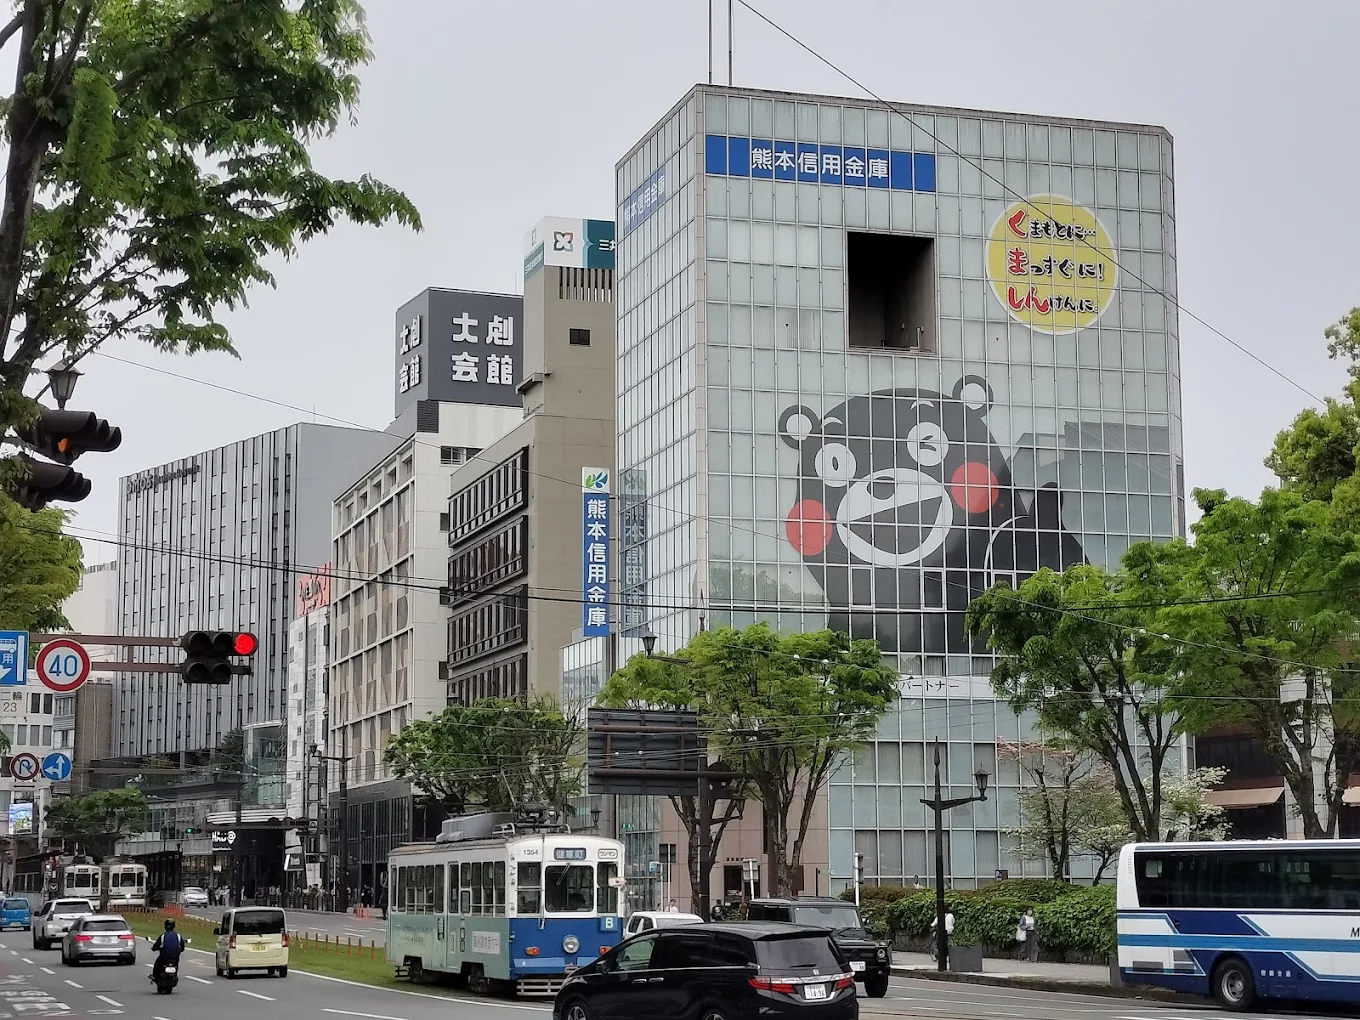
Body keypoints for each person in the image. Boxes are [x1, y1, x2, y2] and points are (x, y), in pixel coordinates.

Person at [150, 919, 184, 983]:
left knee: (157, 963)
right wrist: (180, 950)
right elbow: (182, 947)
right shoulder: (178, 936)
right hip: (175, 958)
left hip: (164, 958)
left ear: (165, 926)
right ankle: (175, 974)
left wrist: (154, 948)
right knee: (176, 963)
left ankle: (154, 975)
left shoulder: (163, 936)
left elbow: (156, 946)